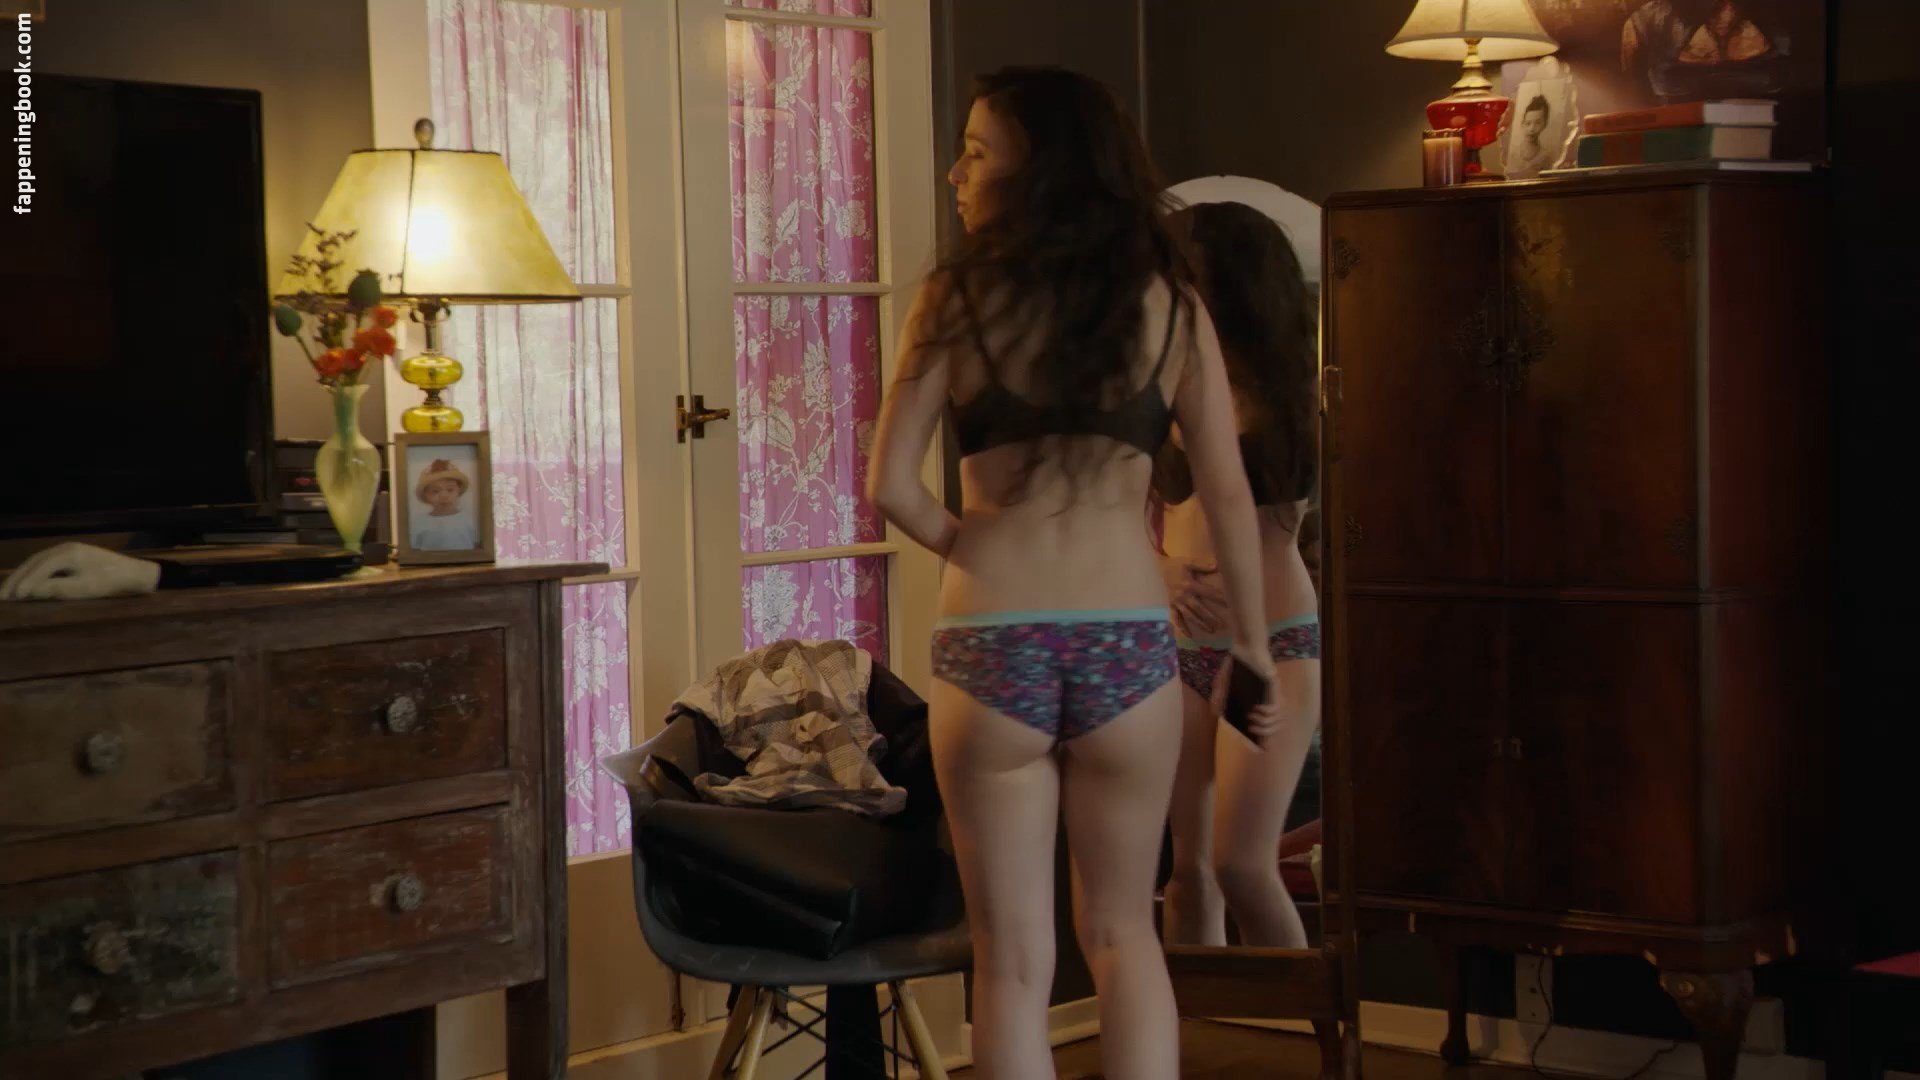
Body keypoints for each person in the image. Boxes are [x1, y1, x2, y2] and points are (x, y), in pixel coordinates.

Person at [867, 67, 1279, 1080]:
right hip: (1124, 644)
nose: (957, 173)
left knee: (1010, 962)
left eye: (976, 152)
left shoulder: (954, 300)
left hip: (992, 641)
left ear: (1038, 168)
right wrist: (1253, 647)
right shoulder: (1170, 304)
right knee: (1124, 936)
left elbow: (890, 486)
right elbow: (1227, 493)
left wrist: (974, 546)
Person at [1153, 200, 1321, 952]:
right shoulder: (1163, 384)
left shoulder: (1292, 400)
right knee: (1188, 873)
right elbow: (1124, 508)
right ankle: (1191, 1023)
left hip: (1271, 647)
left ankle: (1310, 1022)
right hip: (1181, 645)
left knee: (1242, 864)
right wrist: (1159, 570)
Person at [411, 457, 478, 551]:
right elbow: (413, 551)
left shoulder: (469, 519)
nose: (444, 496)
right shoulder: (419, 523)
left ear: (458, 491)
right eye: (435, 491)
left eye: (450, 490)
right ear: (426, 496)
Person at [1506, 93, 1558, 179]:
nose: (1532, 129)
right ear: (1522, 124)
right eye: (1528, 123)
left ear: (1544, 124)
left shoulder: (1545, 157)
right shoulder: (1512, 153)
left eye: (1537, 123)